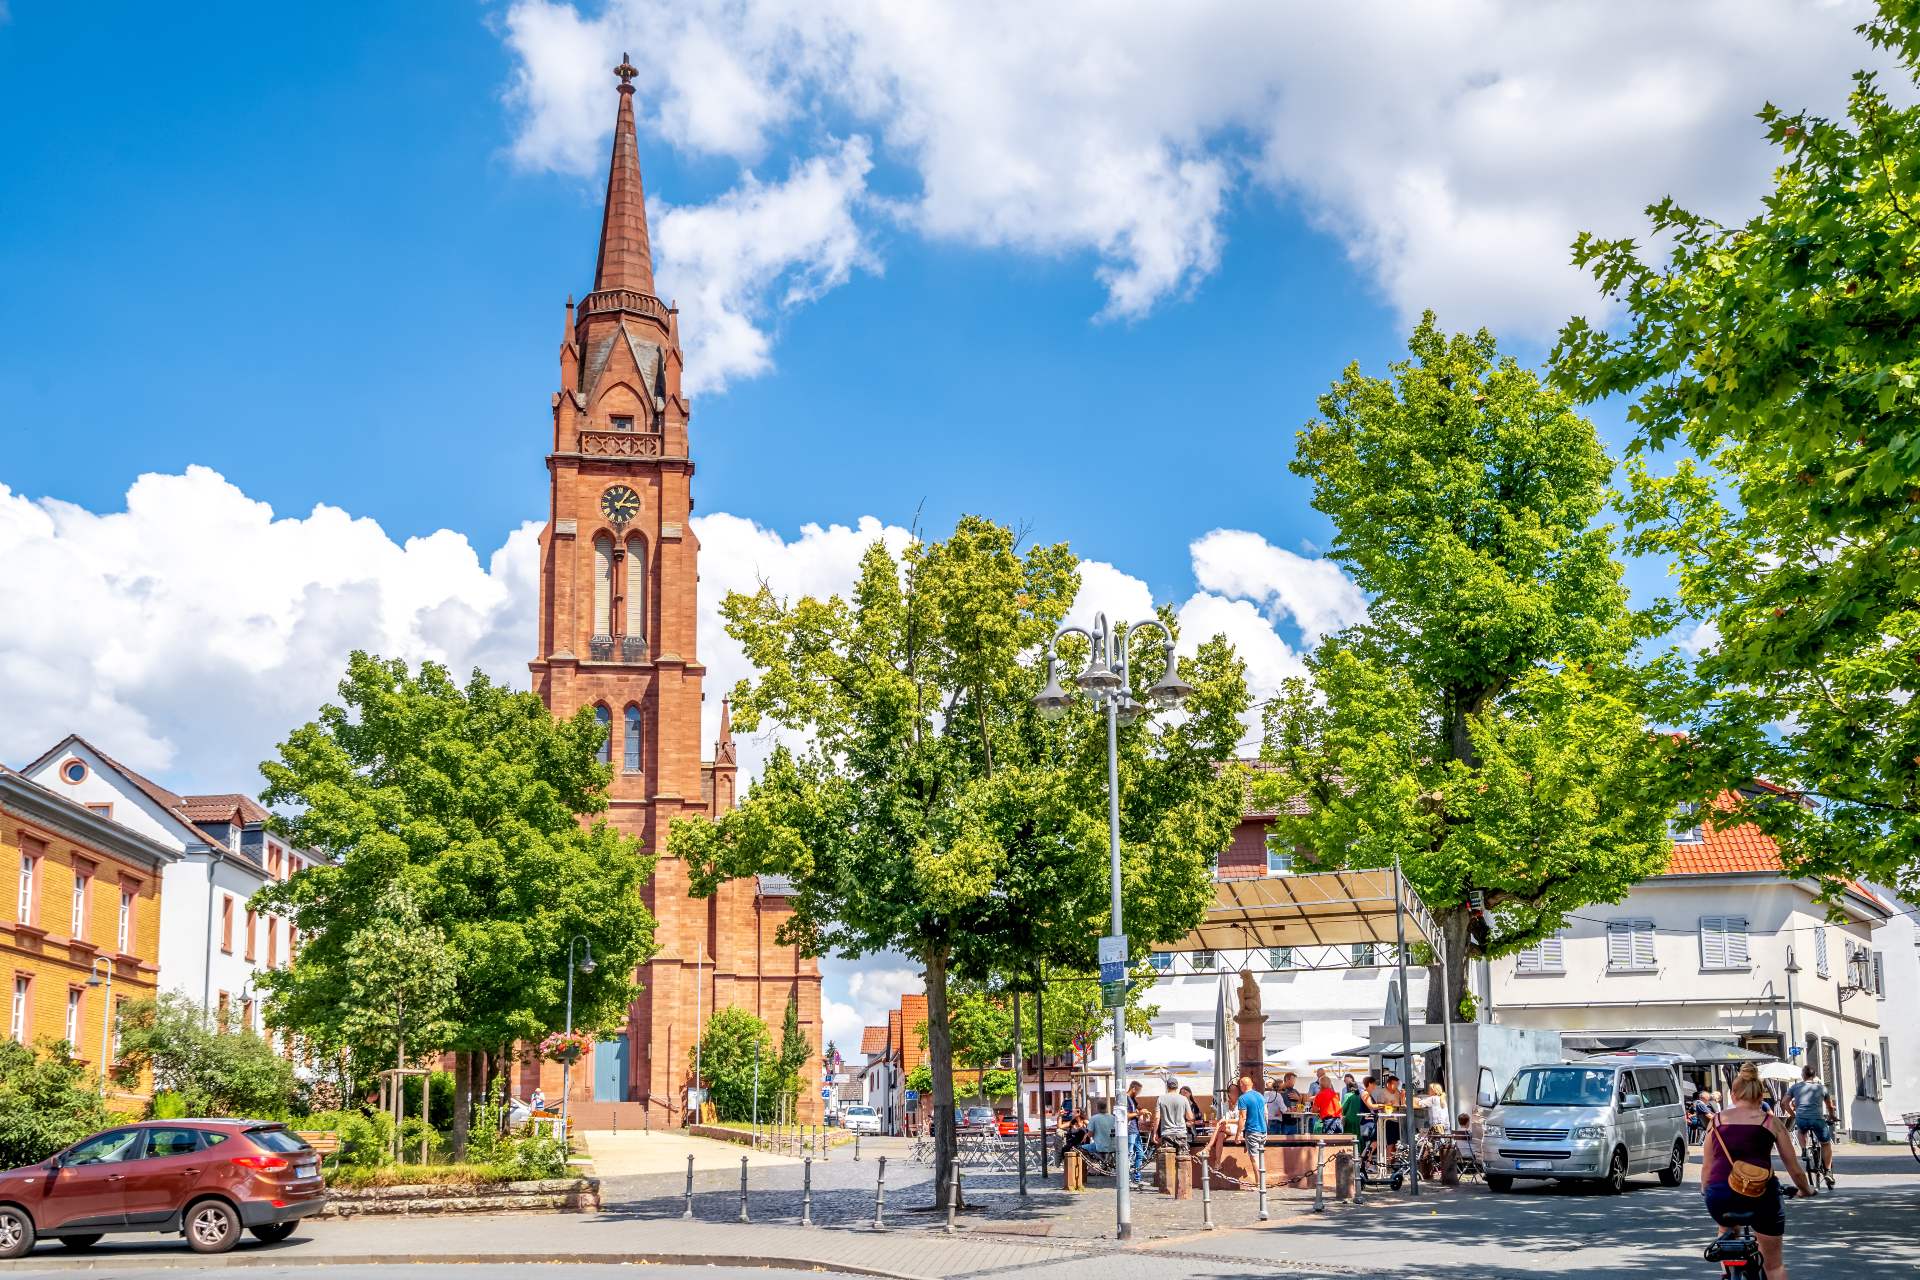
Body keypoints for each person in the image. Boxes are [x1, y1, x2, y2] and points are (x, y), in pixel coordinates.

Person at [1704, 1062, 1816, 1280]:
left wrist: (1706, 1191)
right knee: (1773, 1266)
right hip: (1761, 1196)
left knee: (1726, 1229)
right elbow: (1794, 1169)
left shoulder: (1716, 1121)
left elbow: (1707, 1167)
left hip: (1720, 1196)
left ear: (1733, 1094)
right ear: (1760, 1096)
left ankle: (1729, 1271)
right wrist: (1805, 1189)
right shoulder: (1771, 1122)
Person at [1785, 1066, 1836, 1184]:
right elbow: (1830, 1106)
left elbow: (1784, 1102)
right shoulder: (1822, 1088)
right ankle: (1828, 1171)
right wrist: (1832, 1116)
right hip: (1818, 1120)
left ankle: (1804, 1150)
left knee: (1802, 1131)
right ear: (1814, 1076)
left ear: (1803, 1075)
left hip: (1802, 1119)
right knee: (1826, 1143)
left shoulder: (1795, 1087)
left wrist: (1793, 1115)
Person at [1234, 1074, 1267, 1177]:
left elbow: (1242, 1117)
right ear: (1251, 1084)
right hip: (1263, 1130)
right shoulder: (1261, 1096)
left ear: (1242, 1085)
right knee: (1260, 1157)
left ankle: (1259, 1184)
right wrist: (1266, 1129)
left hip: (1252, 1131)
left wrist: (1238, 1134)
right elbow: (1266, 1114)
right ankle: (1262, 1182)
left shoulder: (1243, 1098)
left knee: (1254, 1159)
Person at [1155, 1077, 1192, 1157]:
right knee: (1183, 1161)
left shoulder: (1160, 1099)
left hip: (1166, 1133)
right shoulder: (1184, 1099)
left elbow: (1157, 1118)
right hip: (1181, 1133)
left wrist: (1155, 1133)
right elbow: (1190, 1117)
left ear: (1167, 1086)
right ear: (1177, 1087)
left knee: (1168, 1162)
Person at [1125, 1080, 1147, 1181]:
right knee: (1129, 1154)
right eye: (1138, 1091)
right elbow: (1125, 1116)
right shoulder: (1125, 1099)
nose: (1138, 1094)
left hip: (1135, 1130)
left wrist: (1142, 1112)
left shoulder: (1132, 1099)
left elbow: (1137, 1110)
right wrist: (1139, 1113)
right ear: (1133, 1089)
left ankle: (1137, 1177)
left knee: (1140, 1153)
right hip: (1129, 1131)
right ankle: (1127, 1178)